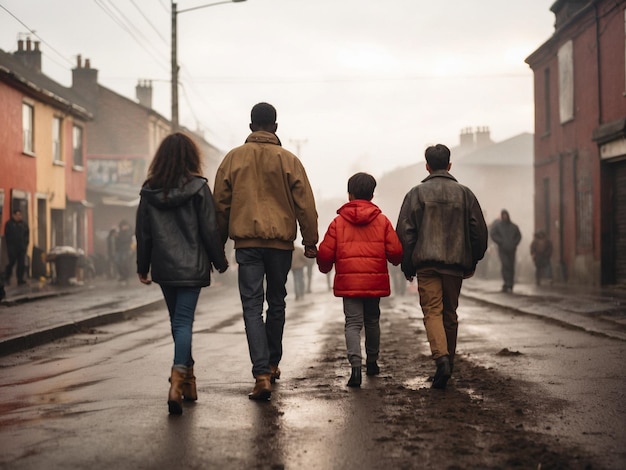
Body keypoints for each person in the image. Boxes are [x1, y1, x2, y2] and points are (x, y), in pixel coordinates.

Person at [213, 102, 319, 401]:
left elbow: (219, 206)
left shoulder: (233, 159)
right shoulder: (289, 160)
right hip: (280, 246)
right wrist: (310, 241)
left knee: (251, 306)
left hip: (246, 245)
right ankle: (273, 363)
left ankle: (260, 374)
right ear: (275, 126)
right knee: (277, 302)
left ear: (251, 126)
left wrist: (218, 246)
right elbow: (305, 203)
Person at [135, 132, 229, 415]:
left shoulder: (149, 190)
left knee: (177, 322)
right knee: (183, 323)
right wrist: (220, 260)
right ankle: (178, 379)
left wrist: (143, 267)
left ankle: (188, 382)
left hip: (165, 267)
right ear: (191, 157)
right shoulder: (199, 188)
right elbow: (209, 229)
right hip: (192, 266)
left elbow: (144, 233)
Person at [396, 144, 488, 389]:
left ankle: (441, 360)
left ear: (427, 166)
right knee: (450, 313)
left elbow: (405, 233)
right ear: (449, 165)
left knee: (432, 312)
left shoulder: (416, 194)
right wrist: (474, 259)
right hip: (455, 266)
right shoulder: (465, 194)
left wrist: (407, 264)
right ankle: (450, 363)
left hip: (426, 264)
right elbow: (478, 231)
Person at [317, 172, 403, 387]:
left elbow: (325, 254)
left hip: (349, 283)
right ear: (372, 195)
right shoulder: (382, 221)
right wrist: (394, 260)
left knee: (353, 323)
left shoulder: (338, 223)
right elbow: (396, 252)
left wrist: (325, 267)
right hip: (374, 281)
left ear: (349, 194)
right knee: (372, 321)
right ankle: (372, 363)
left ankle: (355, 368)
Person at [490, 209, 522, 292]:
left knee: (511, 266)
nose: (505, 217)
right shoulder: (498, 226)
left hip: (511, 250)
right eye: (503, 215)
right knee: (505, 265)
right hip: (503, 249)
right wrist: (500, 242)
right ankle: (506, 283)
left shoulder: (514, 226)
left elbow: (518, 236)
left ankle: (510, 284)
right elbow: (493, 234)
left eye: (506, 215)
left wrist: (514, 243)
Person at [3, 209, 30, 286]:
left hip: (21, 248)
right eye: (18, 215)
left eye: (20, 215)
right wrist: (10, 246)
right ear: (14, 215)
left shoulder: (23, 224)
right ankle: (6, 276)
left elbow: (27, 235)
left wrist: (25, 245)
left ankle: (20, 279)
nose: (19, 217)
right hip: (12, 248)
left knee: (21, 264)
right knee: (11, 262)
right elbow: (7, 236)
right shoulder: (9, 224)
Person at [115, 220, 133, 284]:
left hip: (126, 250)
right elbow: (117, 242)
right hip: (119, 250)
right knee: (117, 262)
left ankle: (125, 276)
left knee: (124, 263)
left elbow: (131, 242)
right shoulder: (119, 233)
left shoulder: (129, 233)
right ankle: (122, 275)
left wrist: (130, 250)